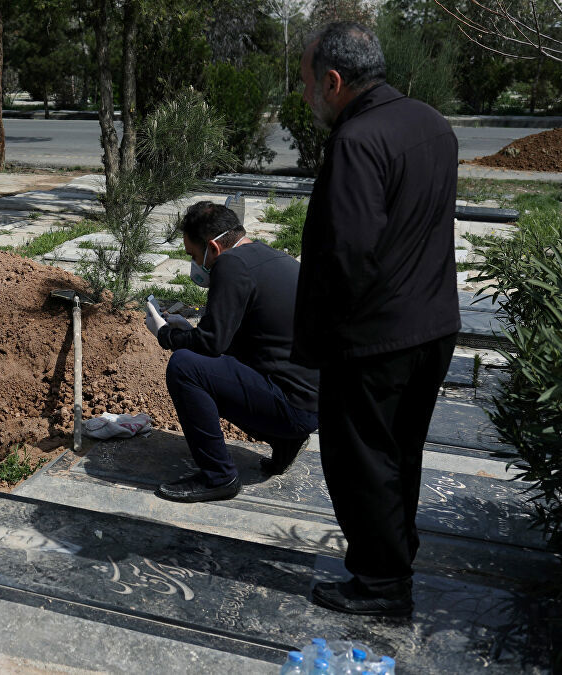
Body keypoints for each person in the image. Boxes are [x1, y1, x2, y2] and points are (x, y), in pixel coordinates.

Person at [293, 23, 460, 618]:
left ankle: (381, 584)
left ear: (334, 81)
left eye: (308, 83)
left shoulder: (356, 140)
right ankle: (396, 557)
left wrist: (319, 340)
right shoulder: (432, 124)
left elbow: (347, 254)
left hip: (373, 338)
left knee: (361, 461)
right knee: (401, 453)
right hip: (433, 326)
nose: (306, 95)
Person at [145, 202, 320, 503]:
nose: (194, 263)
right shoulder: (269, 256)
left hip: (293, 406)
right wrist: (188, 331)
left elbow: (211, 346)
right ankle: (284, 441)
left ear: (213, 247)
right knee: (212, 361)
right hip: (313, 402)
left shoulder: (230, 264)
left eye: (193, 255)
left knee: (185, 366)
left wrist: (165, 334)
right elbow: (230, 339)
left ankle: (218, 477)